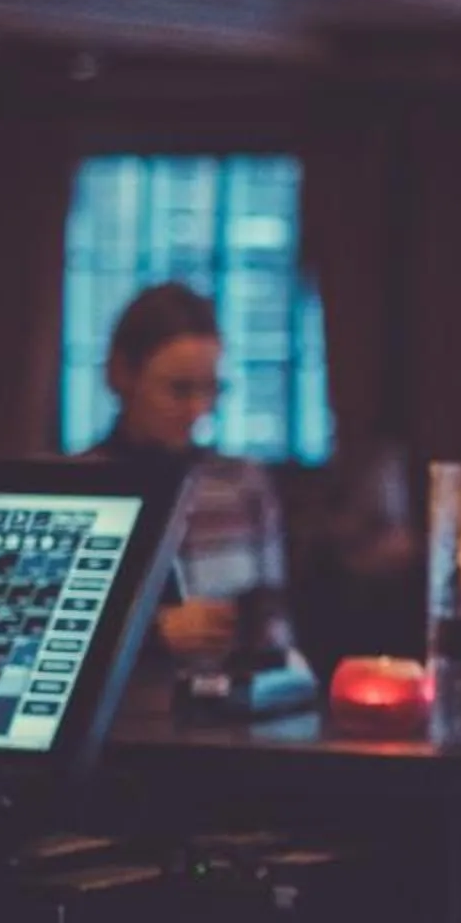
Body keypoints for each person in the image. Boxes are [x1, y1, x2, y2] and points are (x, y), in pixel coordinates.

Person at [89, 283, 292, 667]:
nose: (199, 410)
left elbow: (276, 630)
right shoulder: (81, 488)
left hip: (231, 713)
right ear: (120, 375)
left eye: (212, 390)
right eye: (179, 390)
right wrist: (150, 633)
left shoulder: (243, 484)